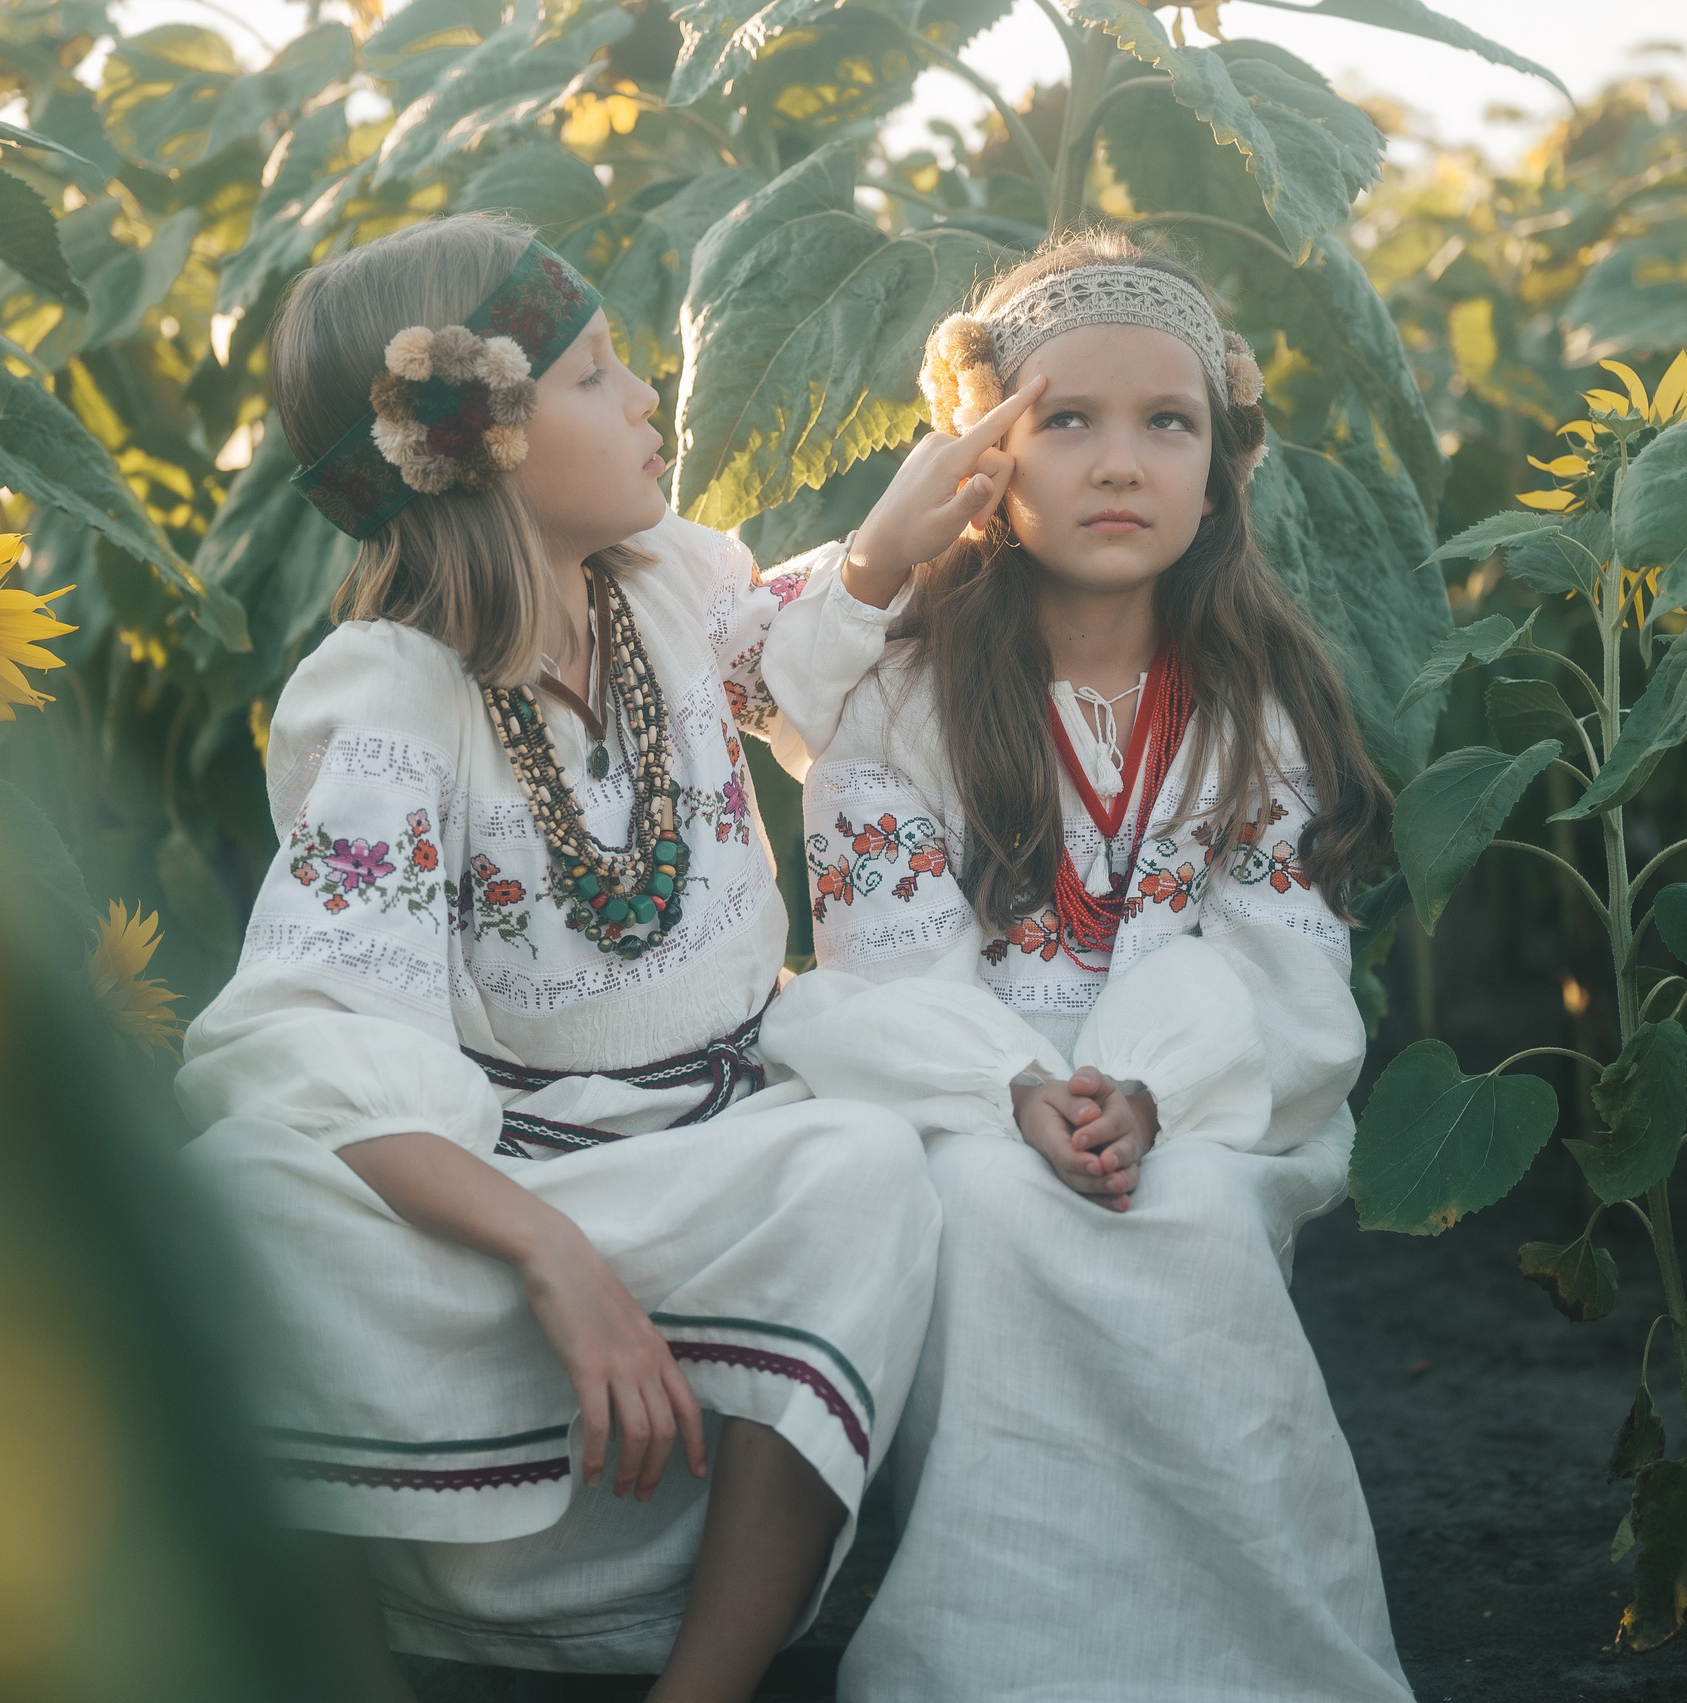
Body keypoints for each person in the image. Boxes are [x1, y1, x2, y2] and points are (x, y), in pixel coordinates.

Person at [173, 214, 1029, 1700]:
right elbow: (317, 1035)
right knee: (233, 1202)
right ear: (480, 442)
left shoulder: (671, 581)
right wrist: (545, 1246)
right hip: (507, 1181)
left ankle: (701, 1683)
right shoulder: (387, 690)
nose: (647, 401)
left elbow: (799, 657)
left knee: (863, 1166)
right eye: (595, 374)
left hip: (713, 1158)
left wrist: (894, 542)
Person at [761, 229, 1414, 1701]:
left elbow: (1287, 968)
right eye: (1067, 419)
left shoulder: (1261, 704)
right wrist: (1014, 1082)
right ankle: (998, 1655)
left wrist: (1153, 1085)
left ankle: (1246, 1657)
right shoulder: (902, 689)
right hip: (954, 1082)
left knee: (1186, 1207)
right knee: (990, 1202)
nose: (1120, 462)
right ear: (988, 453)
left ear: (1219, 464)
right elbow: (884, 968)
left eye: (1165, 423)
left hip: (1198, 1088)